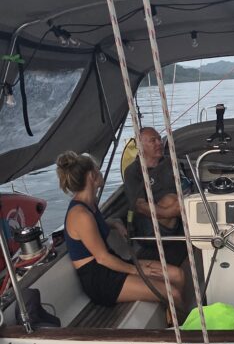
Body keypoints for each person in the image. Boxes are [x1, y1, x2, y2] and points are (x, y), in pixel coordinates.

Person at [57, 151, 184, 310]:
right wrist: (137, 271)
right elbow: (103, 258)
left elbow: (93, 227)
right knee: (173, 293)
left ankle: (175, 318)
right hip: (100, 279)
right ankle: (186, 324)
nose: (100, 172)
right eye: (97, 169)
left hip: (112, 265)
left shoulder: (89, 203)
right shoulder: (80, 215)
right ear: (91, 176)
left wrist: (115, 223)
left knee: (177, 275)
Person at [123, 127, 188, 265]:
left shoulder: (170, 162)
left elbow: (186, 186)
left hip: (178, 217)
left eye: (159, 139)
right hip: (149, 226)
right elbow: (140, 205)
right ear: (140, 146)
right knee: (171, 200)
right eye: (153, 140)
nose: (159, 143)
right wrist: (168, 212)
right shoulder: (133, 172)